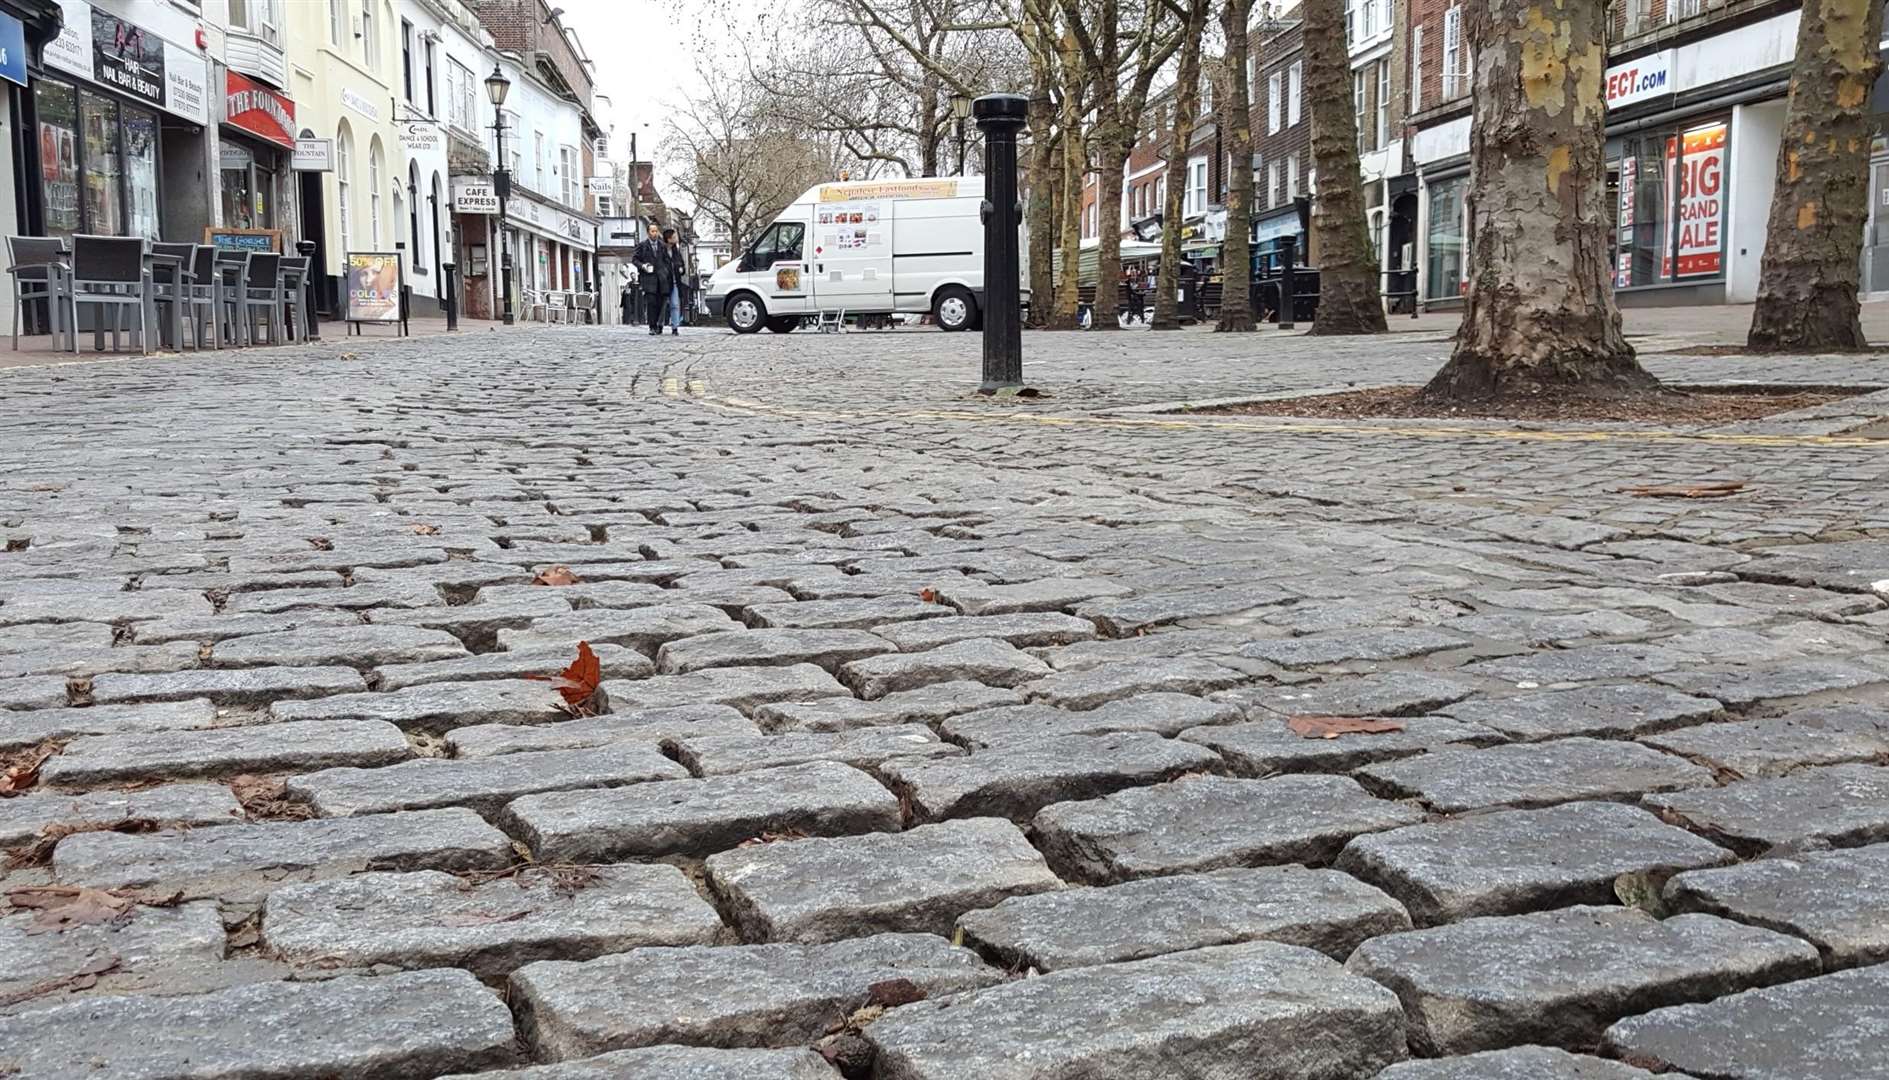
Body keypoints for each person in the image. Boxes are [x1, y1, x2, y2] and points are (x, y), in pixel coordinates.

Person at [632, 222, 667, 335]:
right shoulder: (642, 246)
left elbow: (667, 260)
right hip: (648, 279)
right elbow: (635, 259)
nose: (655, 233)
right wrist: (643, 266)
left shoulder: (662, 246)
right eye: (652, 231)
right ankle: (652, 326)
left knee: (660, 303)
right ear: (648, 233)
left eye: (656, 231)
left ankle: (658, 324)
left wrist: (665, 272)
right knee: (651, 303)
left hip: (661, 279)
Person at [661, 228, 685, 335]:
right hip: (664, 282)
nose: (677, 238)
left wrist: (681, 269)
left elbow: (681, 264)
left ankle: (675, 327)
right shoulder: (661, 250)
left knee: (675, 304)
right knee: (662, 305)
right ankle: (659, 324)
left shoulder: (676, 251)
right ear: (669, 238)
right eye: (674, 237)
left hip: (675, 281)